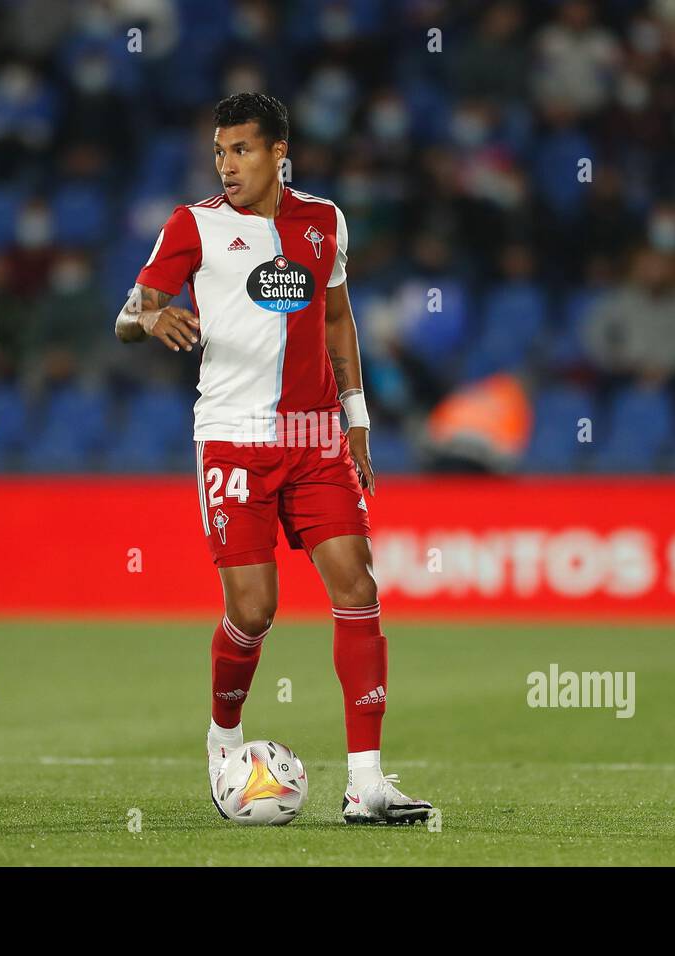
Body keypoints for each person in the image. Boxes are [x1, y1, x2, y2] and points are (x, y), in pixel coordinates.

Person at [114, 93, 433, 824]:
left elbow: (338, 315)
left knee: (357, 584)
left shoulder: (324, 222)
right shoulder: (192, 225)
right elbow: (127, 316)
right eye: (220, 151)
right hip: (233, 439)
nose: (226, 164)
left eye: (242, 150)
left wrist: (356, 418)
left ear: (278, 153)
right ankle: (224, 738)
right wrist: (149, 314)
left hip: (316, 438)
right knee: (254, 609)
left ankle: (367, 783)